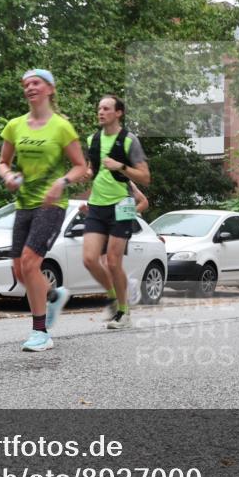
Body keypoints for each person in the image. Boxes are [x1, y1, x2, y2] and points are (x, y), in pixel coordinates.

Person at [0, 69, 87, 352]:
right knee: (19, 270)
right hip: (24, 203)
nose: (29, 88)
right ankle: (53, 294)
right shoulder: (14, 125)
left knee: (29, 262)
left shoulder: (61, 127)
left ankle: (40, 332)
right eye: (26, 84)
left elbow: (80, 166)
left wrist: (62, 183)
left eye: (35, 83)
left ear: (50, 89)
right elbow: (3, 162)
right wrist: (8, 176)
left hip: (51, 204)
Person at [80, 95, 151, 329]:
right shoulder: (93, 139)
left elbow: (145, 178)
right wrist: (87, 174)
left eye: (106, 108)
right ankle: (113, 295)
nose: (101, 112)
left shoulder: (129, 141)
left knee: (112, 261)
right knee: (90, 259)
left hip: (122, 204)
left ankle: (124, 312)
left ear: (118, 112)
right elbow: (94, 169)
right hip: (97, 205)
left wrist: (120, 166)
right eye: (99, 108)